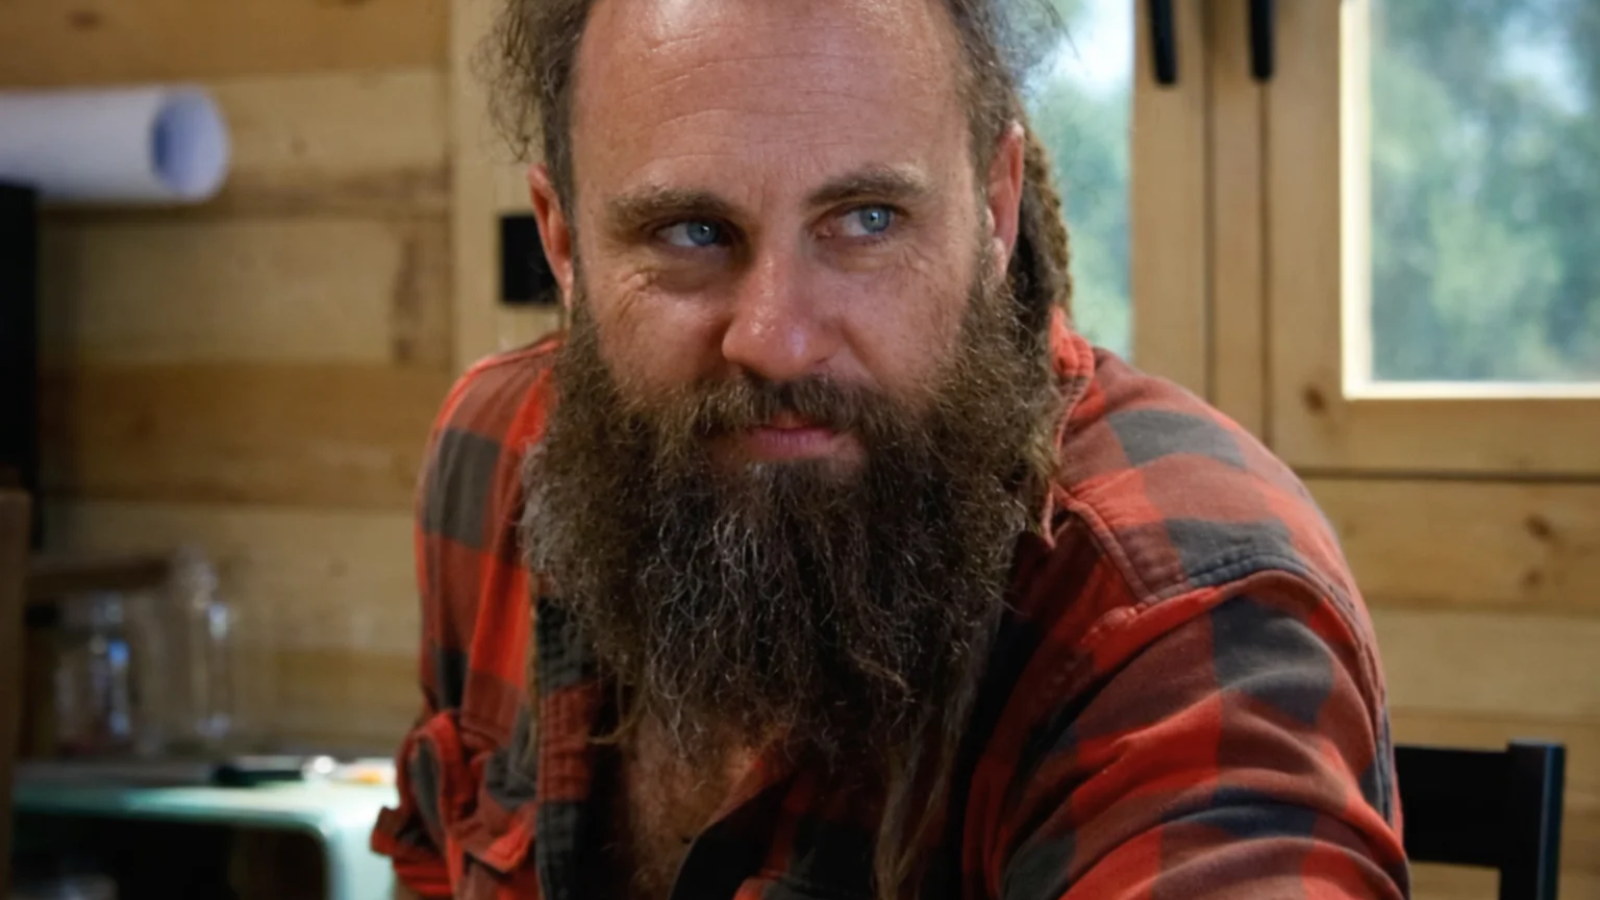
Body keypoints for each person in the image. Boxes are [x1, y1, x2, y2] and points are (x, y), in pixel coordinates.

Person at [371, 0, 1410, 897]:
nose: (776, 339)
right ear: (561, 239)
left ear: (992, 211)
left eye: (865, 219)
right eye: (691, 231)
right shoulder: (496, 455)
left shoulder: (1180, 602)